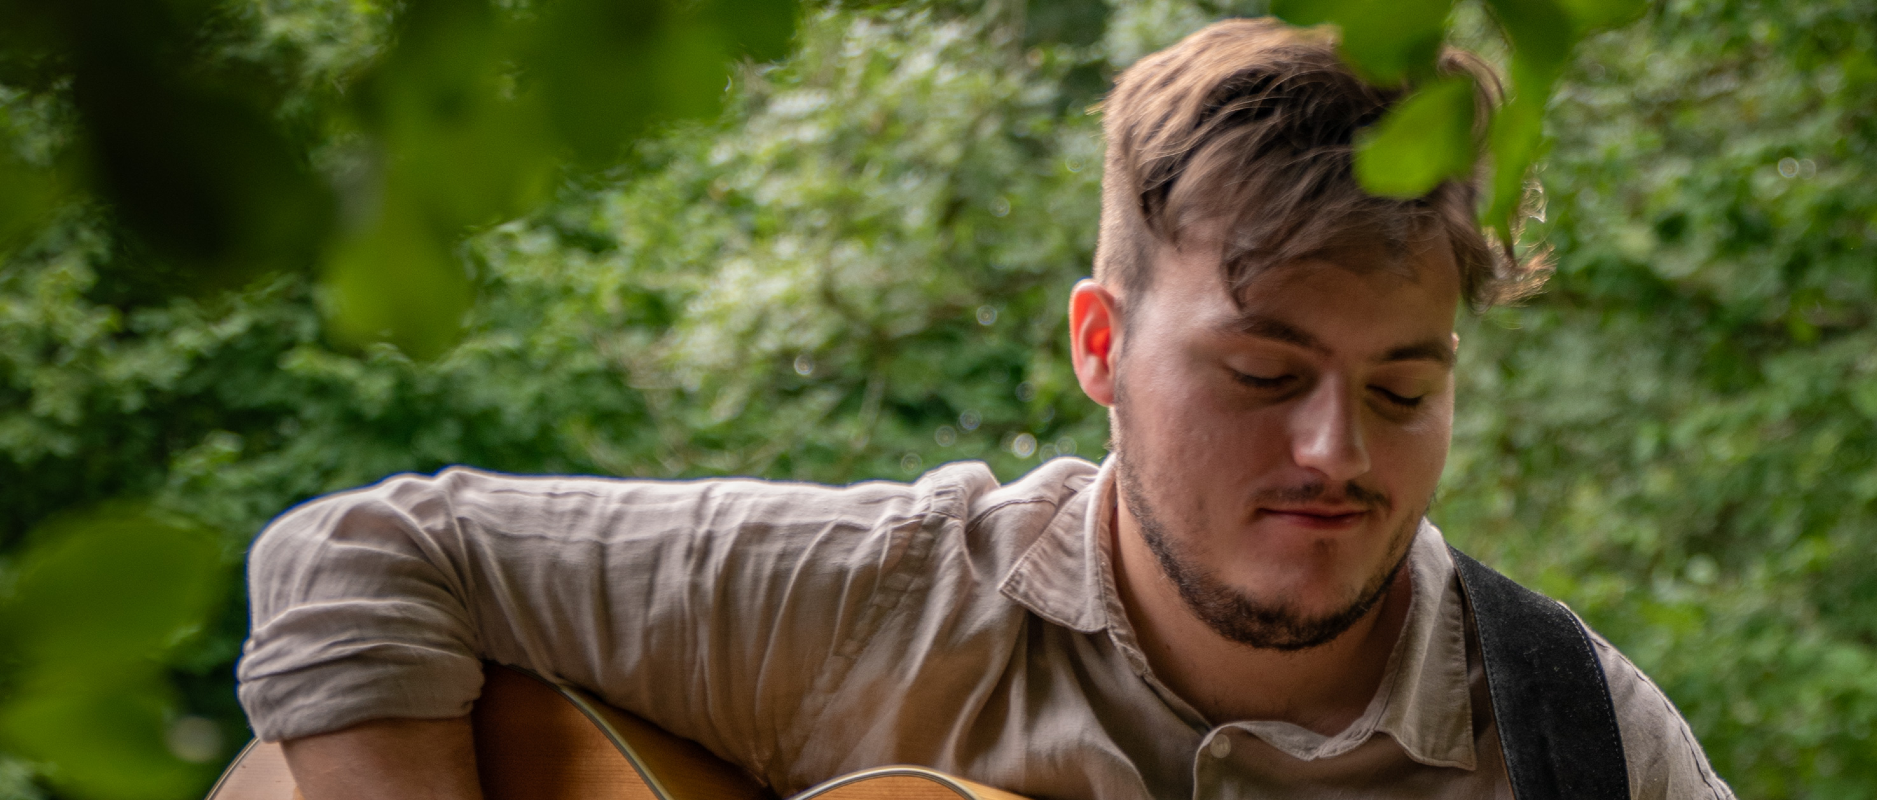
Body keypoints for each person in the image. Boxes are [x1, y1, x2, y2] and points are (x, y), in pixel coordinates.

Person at [237, 18, 1736, 800]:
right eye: (1263, 376)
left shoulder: (1578, 744)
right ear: (1100, 345)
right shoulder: (875, 605)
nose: (1333, 453)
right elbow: (363, 557)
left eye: (1403, 389)